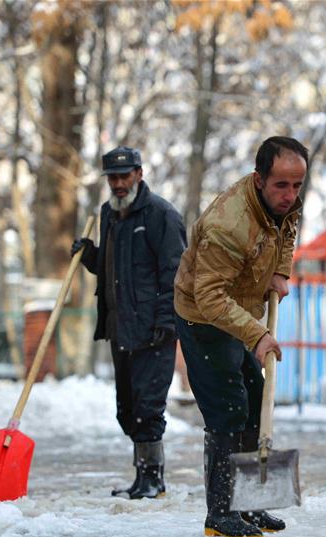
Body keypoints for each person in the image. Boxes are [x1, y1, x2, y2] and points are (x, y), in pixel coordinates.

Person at [174, 136, 306, 537]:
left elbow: (286, 231)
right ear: (259, 178)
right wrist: (258, 334)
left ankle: (250, 503)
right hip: (203, 318)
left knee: (253, 400)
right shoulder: (227, 225)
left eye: (297, 185)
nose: (290, 195)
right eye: (281, 185)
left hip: (239, 312)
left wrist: (280, 270)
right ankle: (221, 512)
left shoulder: (283, 204)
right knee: (228, 409)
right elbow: (210, 297)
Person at [72, 146, 187, 499]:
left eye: (125, 176)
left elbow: (176, 274)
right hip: (120, 327)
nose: (119, 184)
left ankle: (154, 479)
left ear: (139, 173)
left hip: (154, 329)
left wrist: (168, 321)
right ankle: (141, 478)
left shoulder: (161, 215)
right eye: (113, 178)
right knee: (128, 409)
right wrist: (90, 255)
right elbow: (112, 270)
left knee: (149, 407)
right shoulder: (110, 214)